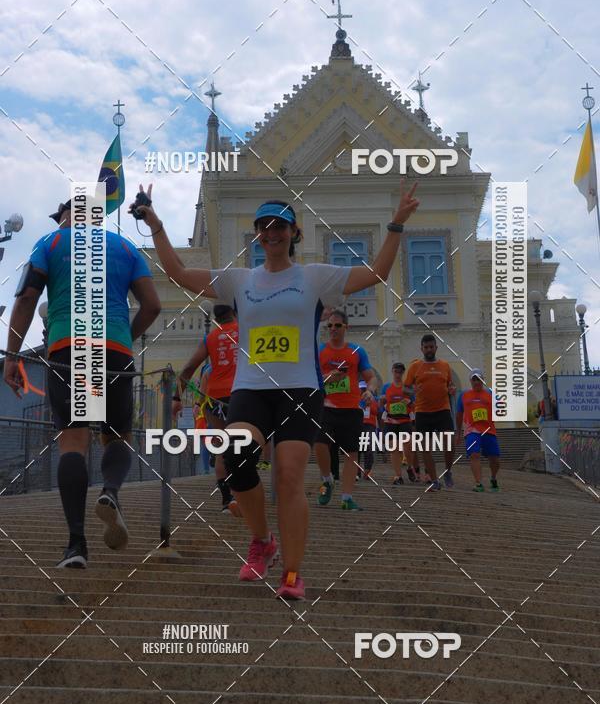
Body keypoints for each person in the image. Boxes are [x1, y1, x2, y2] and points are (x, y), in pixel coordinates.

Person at [132, 180, 419, 599]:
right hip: (251, 389)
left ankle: (292, 572)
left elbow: (375, 273)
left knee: (287, 476)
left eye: (280, 226)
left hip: (300, 391)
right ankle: (262, 539)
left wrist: (395, 223)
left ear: (294, 233)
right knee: (235, 454)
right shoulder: (239, 281)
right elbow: (176, 272)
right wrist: (155, 222)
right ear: (257, 235)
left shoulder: (316, 277)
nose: (272, 233)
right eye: (264, 227)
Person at [3, 199, 161, 568]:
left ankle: (76, 546)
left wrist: (13, 356)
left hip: (68, 348)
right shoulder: (125, 247)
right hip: (115, 349)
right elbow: (152, 305)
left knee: (73, 438)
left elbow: (28, 298)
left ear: (65, 216)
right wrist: (124, 338)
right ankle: (109, 491)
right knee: (117, 434)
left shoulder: (51, 244)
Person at [172, 304, 241, 514]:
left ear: (216, 320)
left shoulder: (210, 338)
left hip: (214, 397)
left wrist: (177, 397)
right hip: (241, 394)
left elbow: (189, 368)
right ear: (235, 314)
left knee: (221, 448)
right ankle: (242, 496)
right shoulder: (246, 330)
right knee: (243, 446)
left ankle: (226, 500)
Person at [314, 310, 378, 509]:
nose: (333, 329)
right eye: (330, 325)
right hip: (326, 406)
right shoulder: (320, 351)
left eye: (337, 325)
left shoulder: (357, 351)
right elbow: (311, 379)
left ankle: (347, 498)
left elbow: (371, 377)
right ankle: (327, 478)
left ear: (346, 327)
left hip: (351, 408)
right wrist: (327, 379)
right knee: (319, 443)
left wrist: (370, 391)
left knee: (352, 452)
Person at [404, 334, 456, 491]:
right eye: (426, 347)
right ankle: (434, 480)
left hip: (442, 410)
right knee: (425, 448)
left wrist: (452, 389)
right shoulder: (415, 366)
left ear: (436, 348)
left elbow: (451, 385)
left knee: (449, 444)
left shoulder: (445, 365)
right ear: (422, 349)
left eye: (431, 347)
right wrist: (412, 390)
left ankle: (447, 471)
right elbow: (405, 388)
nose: (428, 350)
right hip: (422, 412)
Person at [456, 369, 501, 492]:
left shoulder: (491, 393)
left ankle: (493, 478)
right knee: (474, 454)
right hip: (472, 430)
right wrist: (458, 432)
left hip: (489, 430)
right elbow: (459, 414)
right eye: (474, 379)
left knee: (495, 459)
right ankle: (478, 483)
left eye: (479, 379)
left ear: (483, 380)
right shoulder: (464, 395)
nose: (477, 382)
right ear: (471, 381)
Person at [380, 362, 416, 484]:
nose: (398, 374)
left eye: (400, 372)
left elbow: (415, 404)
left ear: (403, 373)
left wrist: (409, 402)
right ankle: (398, 476)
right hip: (390, 421)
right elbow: (382, 404)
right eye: (396, 371)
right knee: (393, 448)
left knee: (408, 445)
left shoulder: (407, 387)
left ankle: (410, 467)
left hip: (405, 420)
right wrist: (382, 402)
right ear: (392, 371)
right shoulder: (386, 387)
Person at [359, 379, 379, 480]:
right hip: (357, 425)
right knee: (357, 449)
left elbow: (377, 413)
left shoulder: (374, 399)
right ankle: (356, 472)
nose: (362, 391)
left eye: (364, 389)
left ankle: (367, 470)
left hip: (370, 426)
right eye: (361, 389)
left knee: (369, 448)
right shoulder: (355, 399)